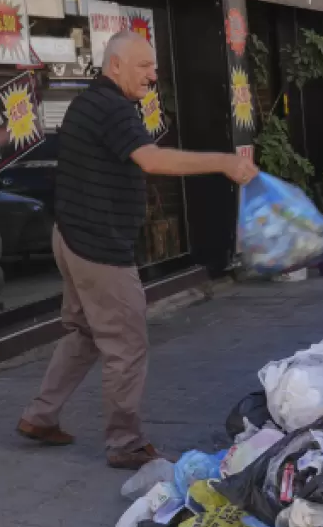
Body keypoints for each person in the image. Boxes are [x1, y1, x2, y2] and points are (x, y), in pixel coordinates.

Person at [17, 30, 258, 469]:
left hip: (72, 235)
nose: (153, 74)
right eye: (144, 65)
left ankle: (40, 415)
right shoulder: (111, 107)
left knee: (85, 332)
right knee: (126, 345)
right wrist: (223, 162)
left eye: (153, 65)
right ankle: (124, 443)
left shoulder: (91, 103)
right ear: (115, 66)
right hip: (98, 247)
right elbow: (153, 160)